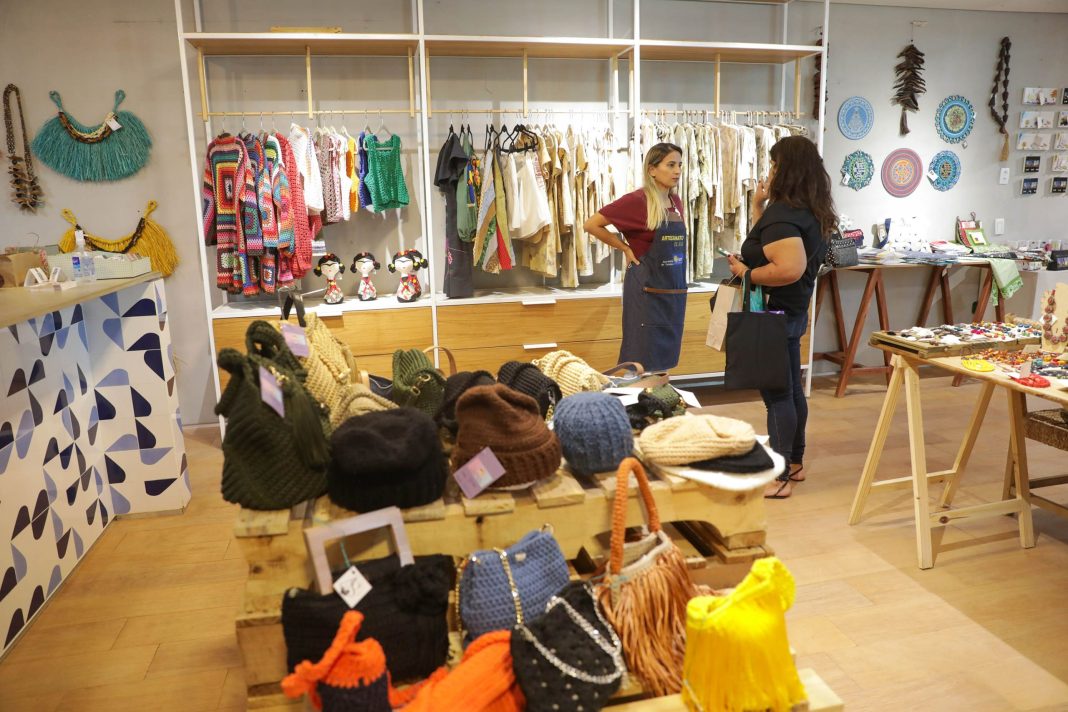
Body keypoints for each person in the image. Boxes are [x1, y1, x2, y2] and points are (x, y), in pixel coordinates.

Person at [727, 135, 837, 499]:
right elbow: (769, 247)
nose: (770, 171)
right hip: (793, 311)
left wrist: (746, 273)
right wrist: (758, 207)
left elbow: (787, 268)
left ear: (786, 169)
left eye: (774, 165)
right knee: (790, 390)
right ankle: (795, 463)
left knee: (777, 396)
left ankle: (779, 477)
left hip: (773, 314)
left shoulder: (784, 215)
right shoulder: (809, 212)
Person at [584, 143, 687, 371]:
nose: (677, 171)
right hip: (646, 292)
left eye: (680, 165)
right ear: (652, 169)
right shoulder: (637, 201)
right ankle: (637, 393)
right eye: (671, 165)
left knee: (664, 360)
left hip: (673, 291)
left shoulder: (676, 202)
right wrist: (624, 248)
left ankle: (657, 392)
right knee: (641, 357)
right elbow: (591, 224)